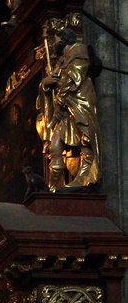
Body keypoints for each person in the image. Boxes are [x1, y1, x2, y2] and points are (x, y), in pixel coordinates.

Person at [38, 27, 100, 191]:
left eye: (57, 40)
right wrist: (46, 82)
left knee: (85, 136)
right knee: (55, 144)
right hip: (66, 105)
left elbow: (73, 79)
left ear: (65, 39)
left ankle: (87, 175)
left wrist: (59, 101)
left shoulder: (79, 51)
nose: (55, 44)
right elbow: (56, 81)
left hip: (80, 100)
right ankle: (52, 188)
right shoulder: (61, 60)